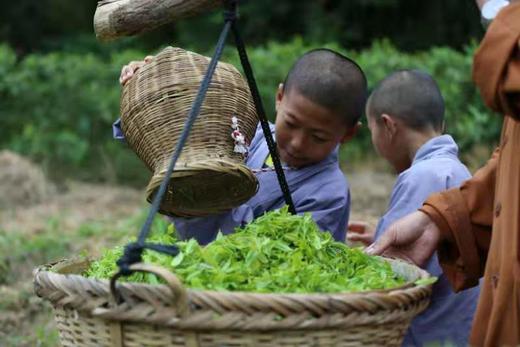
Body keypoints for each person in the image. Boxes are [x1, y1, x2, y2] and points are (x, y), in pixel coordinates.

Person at [367, 1, 520, 345]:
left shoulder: (421, 176)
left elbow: (507, 78)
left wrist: (498, 7)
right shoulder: (448, 169)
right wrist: (441, 218)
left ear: (387, 126)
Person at [115, 48, 367, 244]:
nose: (298, 142)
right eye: (291, 124)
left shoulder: (329, 195)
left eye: (318, 137)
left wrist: (209, 195)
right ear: (279, 98)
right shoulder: (247, 133)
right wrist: (149, 83)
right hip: (188, 269)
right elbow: (181, 137)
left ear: (348, 133)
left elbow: (282, 264)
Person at [347, 70, 479, 346]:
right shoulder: (456, 170)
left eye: (372, 131)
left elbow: (390, 275)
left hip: (431, 337)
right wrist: (380, 234)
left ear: (388, 126)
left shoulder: (422, 176)